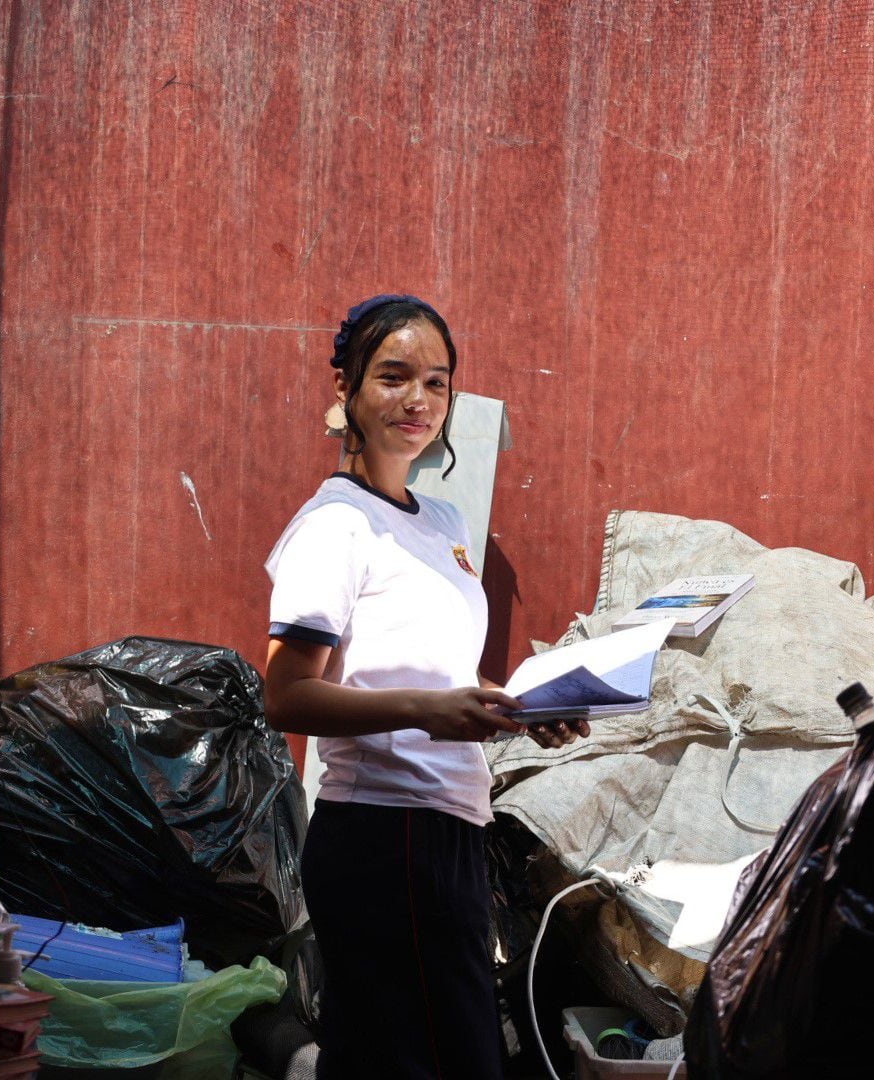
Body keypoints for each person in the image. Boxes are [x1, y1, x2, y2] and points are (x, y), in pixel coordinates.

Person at [262, 294, 587, 1080]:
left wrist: (510, 708)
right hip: (382, 833)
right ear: (346, 389)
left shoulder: (438, 520)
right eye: (393, 376)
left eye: (436, 384)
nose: (418, 401)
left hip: (449, 827)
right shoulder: (333, 526)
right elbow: (286, 695)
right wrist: (434, 715)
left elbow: (430, 669)